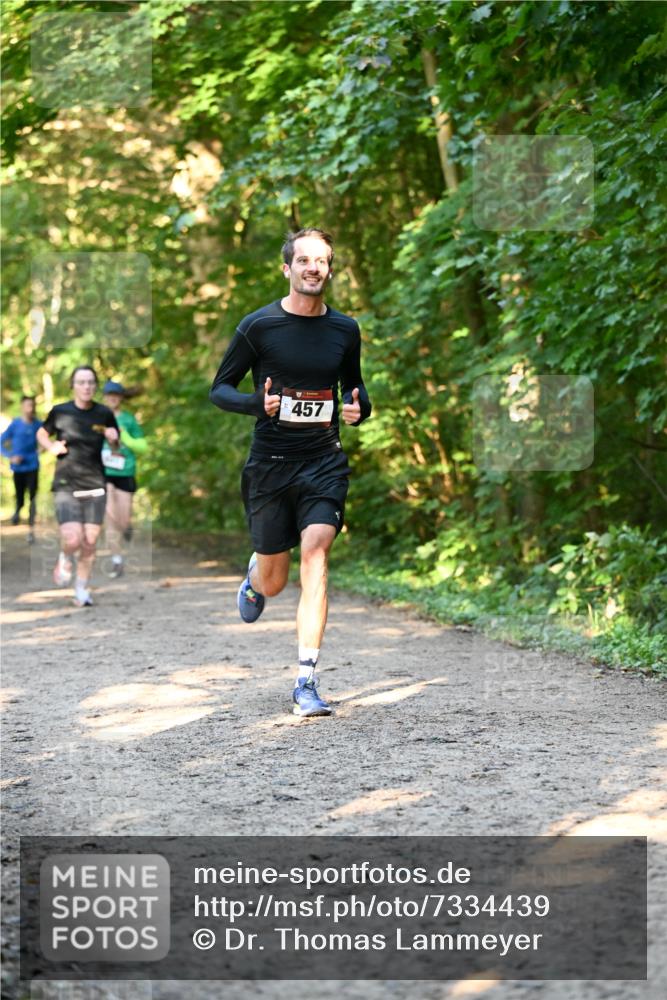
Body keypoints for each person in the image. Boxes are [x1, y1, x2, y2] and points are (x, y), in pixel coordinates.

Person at [210, 228, 372, 718]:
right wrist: (256, 404)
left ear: (329, 268)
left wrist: (358, 408)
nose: (312, 268)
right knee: (276, 581)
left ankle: (306, 681)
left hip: (324, 462)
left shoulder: (345, 330)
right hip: (270, 466)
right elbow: (220, 389)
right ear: (288, 269)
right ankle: (256, 580)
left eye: (321, 260)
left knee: (317, 549)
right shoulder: (259, 326)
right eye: (303, 260)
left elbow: (356, 390)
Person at [36, 366, 120, 607]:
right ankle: (64, 557)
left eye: (91, 382)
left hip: (95, 483)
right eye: (81, 382)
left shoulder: (104, 413)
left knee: (90, 542)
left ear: (95, 386)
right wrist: (51, 447)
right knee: (73, 539)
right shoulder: (60, 411)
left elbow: (115, 448)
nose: (86, 387)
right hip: (66, 482)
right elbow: (41, 434)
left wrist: (114, 440)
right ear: (73, 385)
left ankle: (81, 589)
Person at [101, 379, 147, 578]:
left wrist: (124, 437)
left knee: (122, 519)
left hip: (125, 473)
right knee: (109, 518)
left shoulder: (128, 419)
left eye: (116, 394)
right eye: (109, 394)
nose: (112, 397)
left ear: (120, 398)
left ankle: (127, 526)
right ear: (104, 397)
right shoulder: (98, 418)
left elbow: (143, 447)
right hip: (103, 474)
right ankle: (117, 561)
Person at [1, 395, 42, 542]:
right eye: (27, 406)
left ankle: (31, 530)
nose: (29, 409)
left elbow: (45, 437)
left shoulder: (38, 424)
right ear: (22, 407)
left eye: (32, 406)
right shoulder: (15, 424)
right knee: (20, 497)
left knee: (33, 497)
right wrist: (10, 456)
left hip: (33, 466)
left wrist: (42, 448)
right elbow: (1, 442)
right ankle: (18, 510)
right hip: (18, 468)